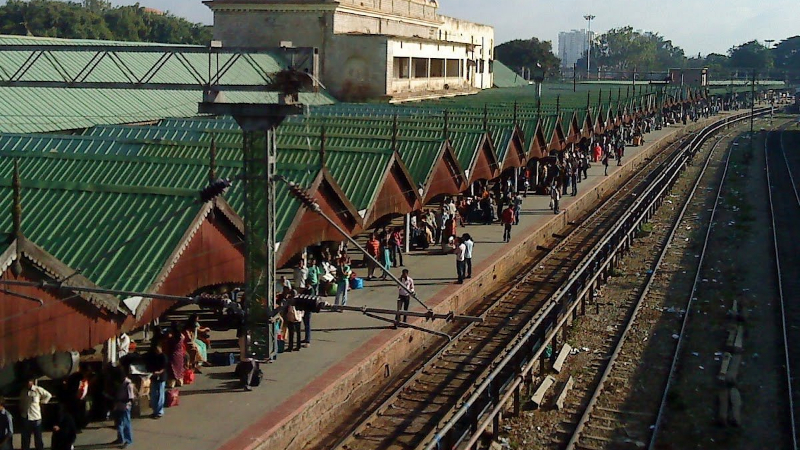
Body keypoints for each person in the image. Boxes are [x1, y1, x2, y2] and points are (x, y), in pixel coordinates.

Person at [20, 378, 52, 450]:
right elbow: (21, 402)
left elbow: (48, 395)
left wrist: (43, 402)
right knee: (25, 438)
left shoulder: (37, 389)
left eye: (29, 381)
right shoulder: (23, 391)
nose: (28, 383)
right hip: (26, 417)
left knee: (38, 438)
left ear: (32, 382)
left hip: (36, 417)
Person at [112, 369, 135, 448]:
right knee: (118, 424)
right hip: (118, 406)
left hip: (125, 407)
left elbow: (130, 398)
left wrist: (119, 400)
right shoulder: (119, 383)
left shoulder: (128, 384)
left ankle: (128, 440)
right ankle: (120, 438)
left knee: (126, 424)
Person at [146, 344, 168, 419]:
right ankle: (155, 411)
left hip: (161, 377)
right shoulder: (153, 357)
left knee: (160, 395)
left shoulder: (163, 357)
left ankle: (159, 411)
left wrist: (158, 372)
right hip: (154, 377)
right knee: (153, 395)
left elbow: (164, 367)